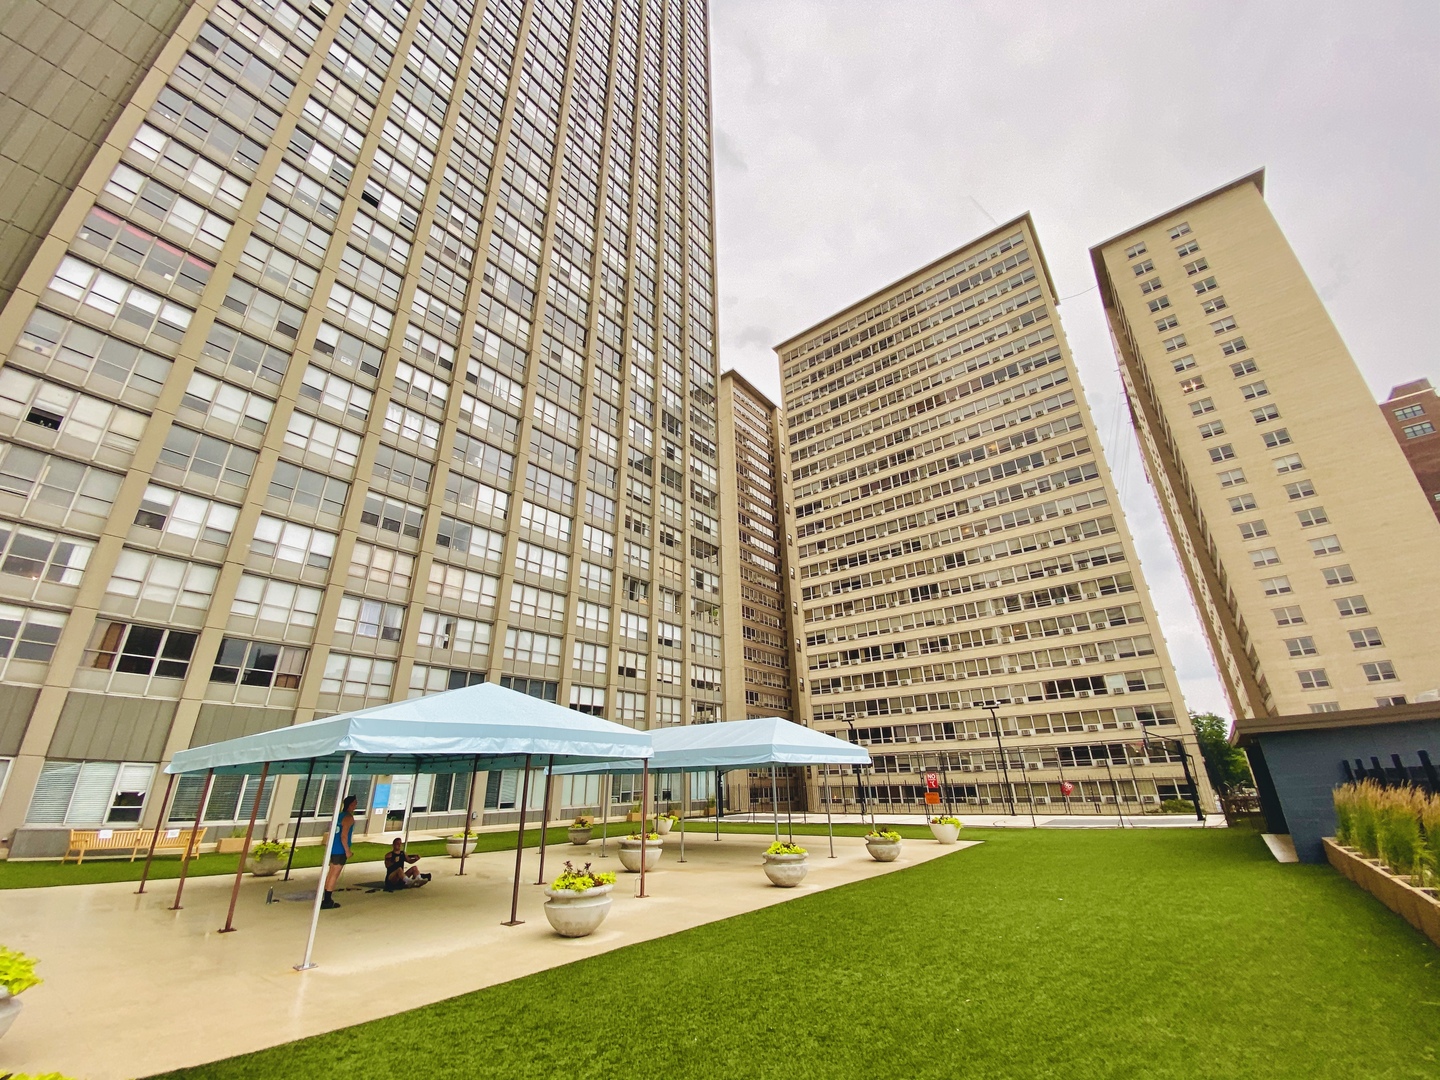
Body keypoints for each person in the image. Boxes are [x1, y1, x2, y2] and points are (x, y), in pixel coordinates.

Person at [321, 795, 356, 910]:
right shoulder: (348, 818)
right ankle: (327, 900)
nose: (356, 806)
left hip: (333, 848)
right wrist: (347, 851)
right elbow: (344, 836)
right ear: (350, 805)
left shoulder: (339, 816)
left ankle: (326, 897)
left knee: (331, 872)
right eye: (354, 803)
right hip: (340, 849)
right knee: (334, 874)